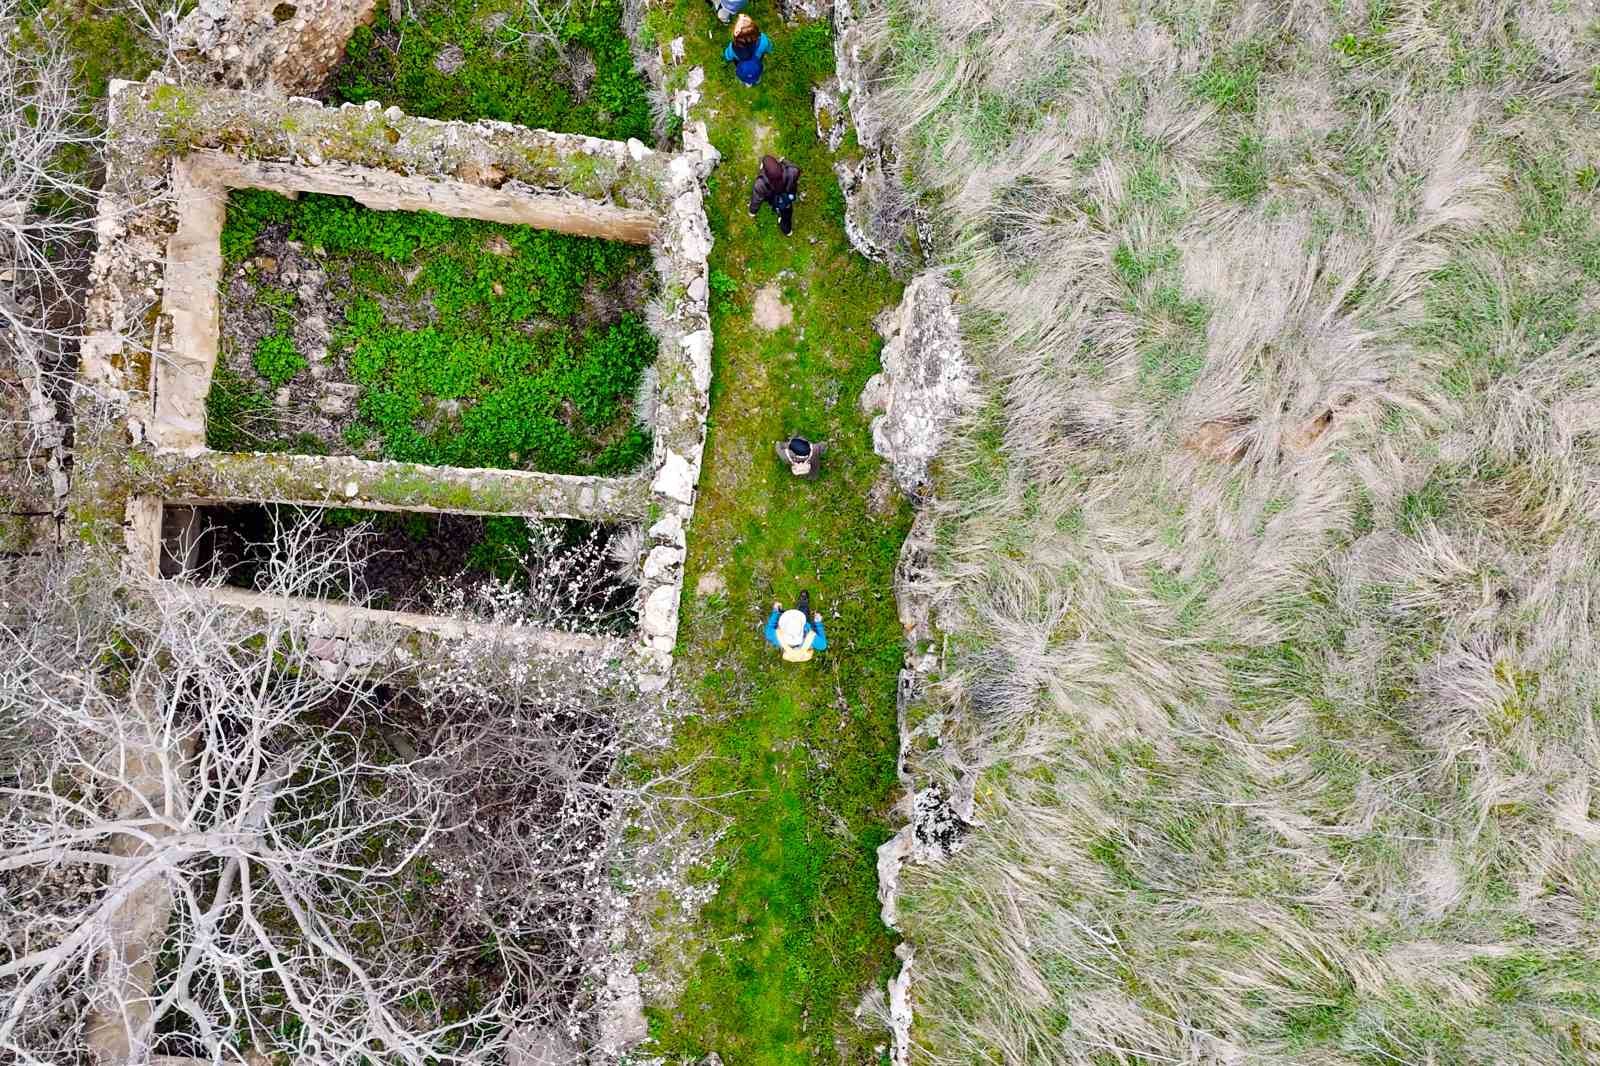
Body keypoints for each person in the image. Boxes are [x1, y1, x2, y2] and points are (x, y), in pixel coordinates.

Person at [765, 590, 828, 662]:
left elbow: (769, 630)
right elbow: (823, 645)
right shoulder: (810, 639)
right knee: (804, 611)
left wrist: (776, 611)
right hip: (806, 627)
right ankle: (804, 602)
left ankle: (802, 603)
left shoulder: (775, 636)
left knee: (802, 613)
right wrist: (818, 622)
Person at [749, 154, 801, 237]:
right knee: (787, 213)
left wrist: (752, 211)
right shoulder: (792, 171)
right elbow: (796, 168)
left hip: (773, 199)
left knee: (778, 206)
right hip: (788, 196)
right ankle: (788, 231)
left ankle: (779, 213)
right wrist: (784, 161)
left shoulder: (760, 184)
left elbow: (757, 199)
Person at [724, 15, 772, 87]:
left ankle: (747, 82)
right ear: (756, 31)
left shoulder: (733, 48)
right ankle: (757, 79)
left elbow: (728, 55)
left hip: (742, 64)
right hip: (757, 61)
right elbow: (769, 47)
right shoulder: (763, 40)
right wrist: (770, 50)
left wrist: (727, 57)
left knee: (744, 73)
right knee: (756, 71)